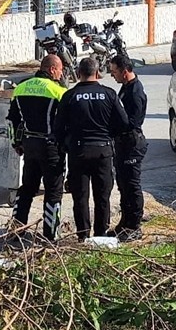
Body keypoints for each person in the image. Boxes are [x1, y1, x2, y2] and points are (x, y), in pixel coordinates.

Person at [53, 57, 130, 240]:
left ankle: (83, 236)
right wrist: (108, 134)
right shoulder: (110, 94)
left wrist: (66, 144)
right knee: (102, 197)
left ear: (79, 74)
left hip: (78, 152)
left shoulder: (69, 96)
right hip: (103, 151)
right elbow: (124, 123)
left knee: (80, 198)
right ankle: (101, 235)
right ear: (97, 73)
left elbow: (58, 128)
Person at [7, 54, 68, 241]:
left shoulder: (20, 89)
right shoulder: (58, 91)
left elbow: (12, 121)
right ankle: (51, 234)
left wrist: (16, 143)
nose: (61, 73)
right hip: (50, 147)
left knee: (27, 188)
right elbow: (65, 123)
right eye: (60, 70)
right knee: (53, 191)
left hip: (29, 145)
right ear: (52, 69)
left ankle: (16, 229)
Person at [108, 54, 147, 241]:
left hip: (132, 143)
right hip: (121, 143)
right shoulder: (125, 87)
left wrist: (115, 124)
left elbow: (133, 122)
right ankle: (125, 221)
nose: (112, 75)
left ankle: (135, 225)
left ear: (125, 72)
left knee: (132, 185)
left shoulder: (135, 92)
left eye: (114, 71)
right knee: (123, 184)